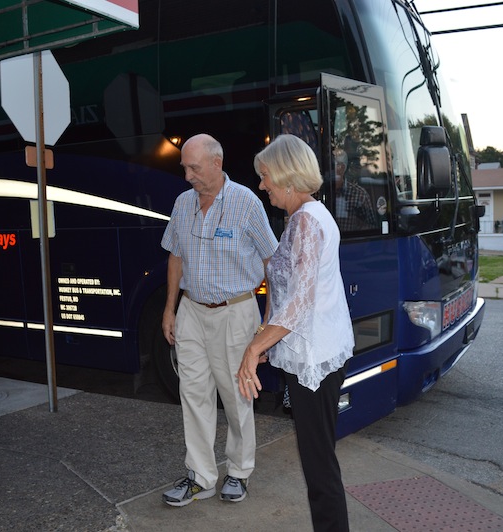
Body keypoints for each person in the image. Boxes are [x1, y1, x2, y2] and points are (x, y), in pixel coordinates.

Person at [238, 134, 354, 532]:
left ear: (287, 175)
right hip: (314, 352)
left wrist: (254, 348)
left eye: (266, 175)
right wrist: (269, 337)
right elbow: (287, 289)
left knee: (320, 468)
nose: (262, 184)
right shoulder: (308, 215)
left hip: (314, 359)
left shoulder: (305, 220)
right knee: (320, 461)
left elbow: (300, 302)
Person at [160, 134, 278, 506]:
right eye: (185, 168)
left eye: (194, 167)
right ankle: (201, 476)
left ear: (216, 162)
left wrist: (266, 327)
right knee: (192, 392)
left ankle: (239, 472)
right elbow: (175, 256)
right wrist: (170, 307)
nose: (188, 176)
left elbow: (271, 264)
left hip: (236, 312)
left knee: (237, 394)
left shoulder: (247, 203)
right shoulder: (182, 204)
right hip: (192, 310)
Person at [333, 149, 377, 232]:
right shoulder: (318, 193)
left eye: (331, 165)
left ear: (341, 168)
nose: (326, 169)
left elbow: (370, 227)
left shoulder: (359, 195)